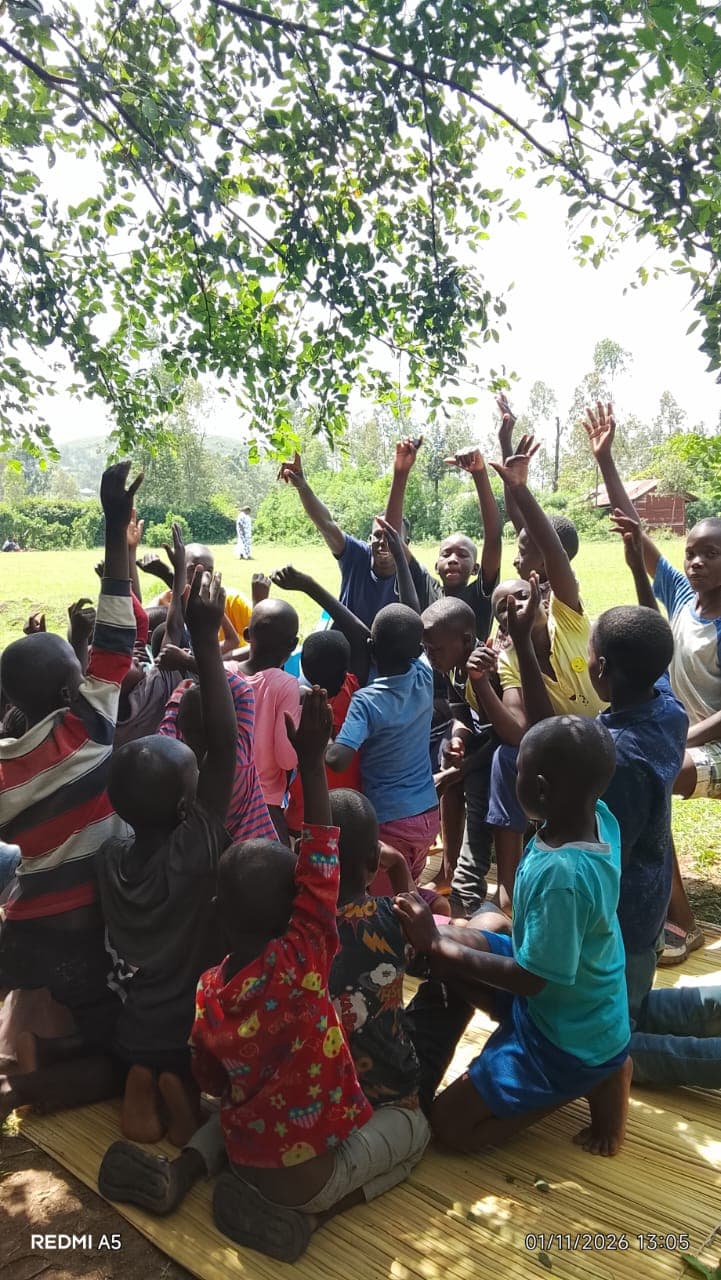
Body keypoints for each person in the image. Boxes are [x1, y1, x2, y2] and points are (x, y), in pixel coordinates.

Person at [97, 758, 429, 1223]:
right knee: (415, 1130)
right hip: (308, 1177)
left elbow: (212, 1082)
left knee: (245, 1101)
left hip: (245, 1148)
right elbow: (324, 874)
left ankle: (184, 1167)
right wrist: (311, 762)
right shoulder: (304, 963)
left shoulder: (210, 988)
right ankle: (311, 1220)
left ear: (219, 910)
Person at [396, 715, 632, 1157]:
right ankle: (594, 1069)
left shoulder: (563, 876)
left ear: (541, 789)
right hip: (570, 997)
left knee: (450, 1126)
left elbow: (531, 980)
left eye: (517, 770)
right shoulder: (597, 815)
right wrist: (444, 947)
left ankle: (586, 1081)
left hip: (564, 1037)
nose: (510, 777)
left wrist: (436, 944)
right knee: (467, 939)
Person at [0, 463, 140, 1122]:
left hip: (25, 925)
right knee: (122, 1046)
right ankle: (30, 1084)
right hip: (87, 927)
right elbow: (116, 636)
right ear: (68, 690)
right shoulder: (89, 730)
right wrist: (115, 525)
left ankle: (27, 1041)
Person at [95, 567, 237, 1147]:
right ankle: (180, 1095)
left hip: (130, 1026)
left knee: (142, 1050)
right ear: (184, 808)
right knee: (193, 1062)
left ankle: (140, 1082)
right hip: (186, 1028)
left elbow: (214, 756)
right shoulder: (194, 851)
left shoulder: (110, 857)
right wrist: (206, 637)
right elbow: (226, 747)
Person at [583, 401, 708, 963]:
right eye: (692, 553)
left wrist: (685, 737)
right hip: (670, 722)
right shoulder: (682, 596)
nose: (696, 563)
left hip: (699, 737)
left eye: (711, 555)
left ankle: (681, 921)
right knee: (654, 775)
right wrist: (606, 461)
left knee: (659, 776)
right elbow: (638, 541)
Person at [465, 434, 605, 910]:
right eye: (503, 611)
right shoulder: (510, 657)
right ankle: (508, 884)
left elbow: (554, 553)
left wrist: (521, 491)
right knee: (508, 759)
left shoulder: (568, 616)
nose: (515, 609)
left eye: (522, 597)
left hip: (602, 739)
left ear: (542, 592)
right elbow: (523, 732)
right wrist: (483, 680)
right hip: (562, 745)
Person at [327, 603, 440, 899]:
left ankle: (434, 912)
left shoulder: (366, 701)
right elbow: (413, 611)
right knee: (405, 891)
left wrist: (323, 738)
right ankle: (434, 908)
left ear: (371, 649)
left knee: (387, 907)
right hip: (427, 816)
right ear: (418, 650)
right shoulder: (424, 675)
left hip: (391, 823)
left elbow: (337, 760)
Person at [276, 448, 432, 628]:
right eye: (378, 535)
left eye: (392, 537)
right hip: (344, 641)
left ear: (406, 544)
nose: (383, 542)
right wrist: (302, 486)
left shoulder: (413, 576)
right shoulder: (357, 555)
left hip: (387, 645)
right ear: (369, 539)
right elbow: (326, 525)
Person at [385, 436, 503, 637]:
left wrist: (479, 474)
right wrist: (401, 473)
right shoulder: (424, 587)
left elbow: (493, 538)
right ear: (436, 565)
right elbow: (393, 538)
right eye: (446, 554)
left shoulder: (480, 595)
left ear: (476, 569)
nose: (453, 560)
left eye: (463, 555)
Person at [421, 596, 495, 913]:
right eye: (426, 648)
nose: (430, 655)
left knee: (476, 785)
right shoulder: (452, 666)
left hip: (509, 750)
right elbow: (462, 715)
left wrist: (462, 768)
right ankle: (448, 870)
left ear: (466, 640)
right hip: (484, 742)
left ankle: (468, 888)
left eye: (435, 649)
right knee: (446, 758)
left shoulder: (488, 669)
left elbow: (504, 735)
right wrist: (457, 741)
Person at [158, 666, 276, 846]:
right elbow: (244, 692)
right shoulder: (239, 759)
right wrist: (187, 662)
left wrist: (178, 696)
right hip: (257, 849)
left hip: (208, 858)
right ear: (230, 722)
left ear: (181, 725)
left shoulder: (174, 771)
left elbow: (166, 728)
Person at [496, 394, 579, 599]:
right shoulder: (531, 580)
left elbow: (553, 550)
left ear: (544, 562)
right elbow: (514, 510)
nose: (515, 560)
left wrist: (519, 486)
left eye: (522, 552)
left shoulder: (561, 595)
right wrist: (505, 442)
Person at [232, 598, 301, 843]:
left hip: (223, 796)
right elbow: (287, 758)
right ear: (293, 644)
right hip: (264, 805)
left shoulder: (225, 672)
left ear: (247, 635)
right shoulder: (286, 685)